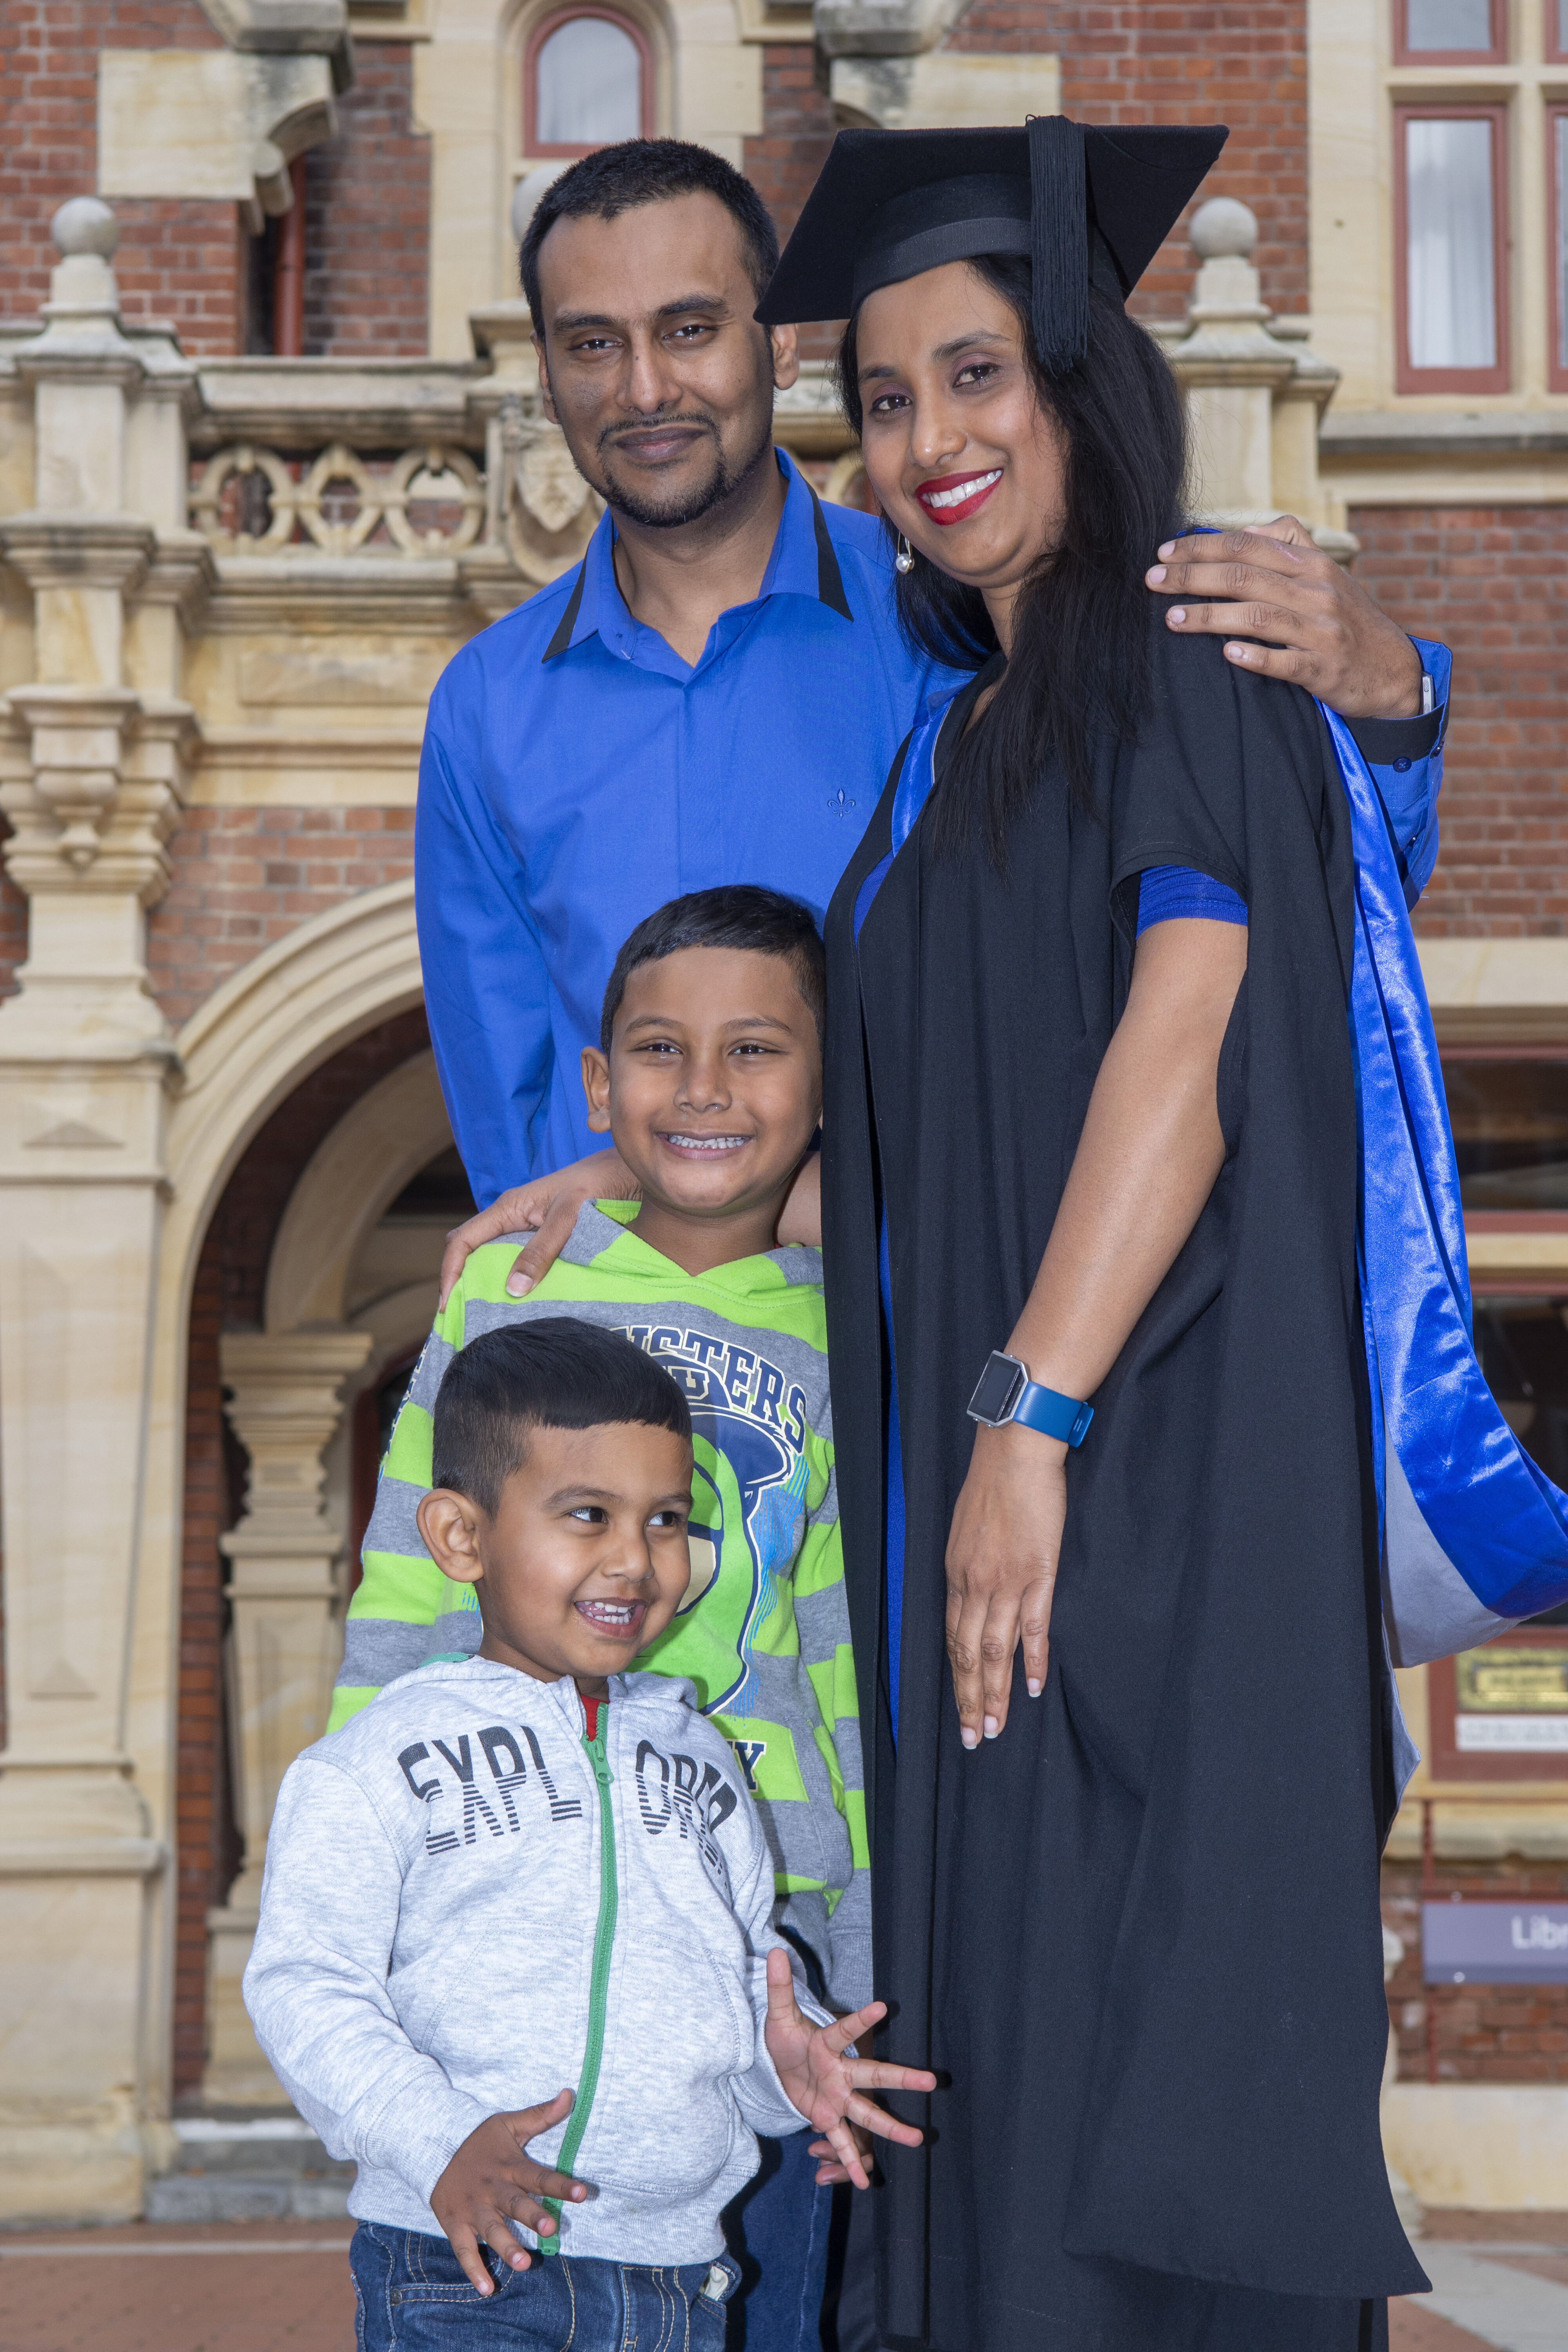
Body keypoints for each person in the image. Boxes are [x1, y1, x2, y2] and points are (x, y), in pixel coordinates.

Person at [753, 119, 1431, 2351]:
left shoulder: (1180, 651)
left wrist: (1025, 1419)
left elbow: (1193, 1013)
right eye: (879, 398)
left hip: (1129, 1484)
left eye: (972, 374)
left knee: (1117, 2050)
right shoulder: (955, 747)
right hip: (1004, 1498)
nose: (927, 439)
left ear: (1073, 375)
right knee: (1010, 2051)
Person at [417, 135, 1449, 1303]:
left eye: (692, 328)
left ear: (783, 341)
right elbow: (510, 1112)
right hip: (630, 1357)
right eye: (592, 344)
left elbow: (1266, 913)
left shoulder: (964, 627)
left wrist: (1389, 699)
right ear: (544, 375)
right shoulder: (486, 708)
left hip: (949, 1320)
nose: (646, 387)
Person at [330, 890, 865, 2346]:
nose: (703, 1089)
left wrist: (852, 1950)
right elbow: (405, 1566)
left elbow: (838, 1645)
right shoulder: (510, 1290)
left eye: (755, 1050)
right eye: (659, 1050)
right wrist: (369, 1826)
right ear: (597, 1084)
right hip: (503, 1892)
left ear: (831, 1080)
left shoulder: (853, 1320)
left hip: (757, 1926)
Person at [246, 1319, 935, 2352]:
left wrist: (779, 2060)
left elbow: (739, 1972)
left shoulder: (700, 1762)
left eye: (665, 1519)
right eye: (587, 1515)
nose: (635, 1560)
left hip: (674, 2281)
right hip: (465, 2265)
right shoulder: (379, 1760)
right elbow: (303, 1984)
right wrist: (441, 2147)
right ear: (459, 1536)